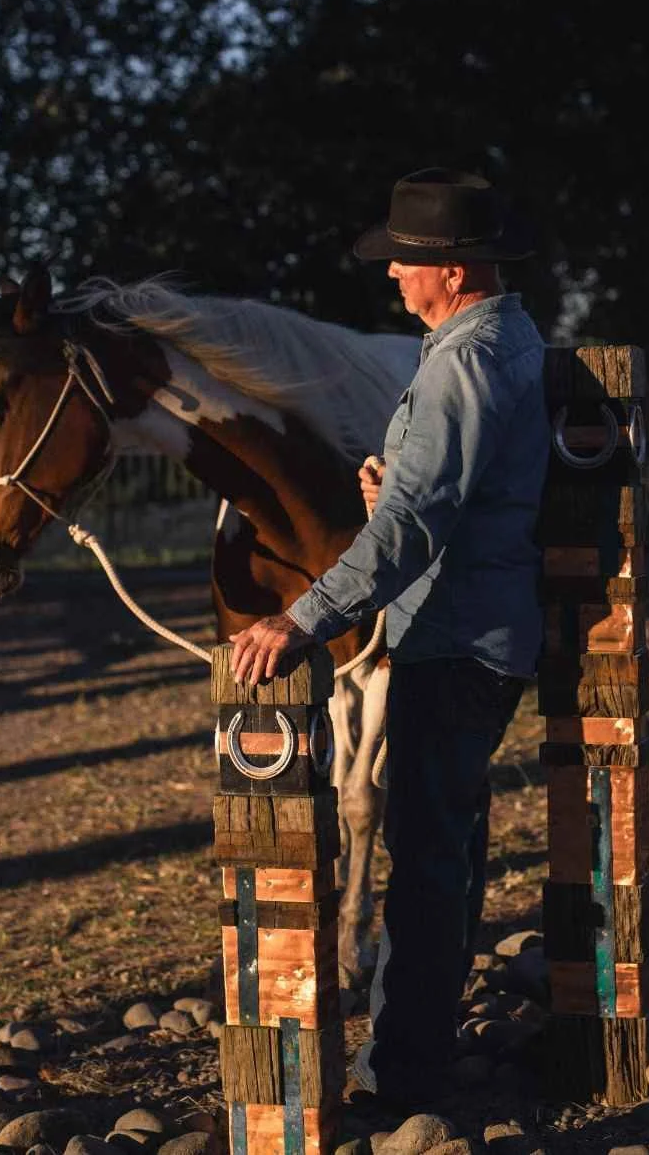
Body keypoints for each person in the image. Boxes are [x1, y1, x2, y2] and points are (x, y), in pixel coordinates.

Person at [228, 167, 550, 1108]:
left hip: (454, 639)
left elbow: (414, 531)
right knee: (446, 849)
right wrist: (397, 487)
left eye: (405, 262)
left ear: (450, 271)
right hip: (473, 625)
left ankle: (405, 1078)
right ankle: (421, 1051)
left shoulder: (462, 360)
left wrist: (302, 619)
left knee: (425, 863)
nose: (392, 278)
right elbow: (455, 493)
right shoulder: (503, 340)